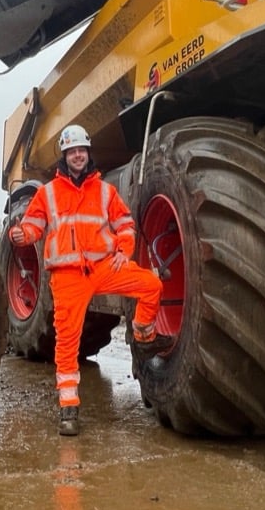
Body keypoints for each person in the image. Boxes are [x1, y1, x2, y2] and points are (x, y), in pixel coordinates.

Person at [9, 124, 174, 436]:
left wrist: (124, 251)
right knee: (67, 342)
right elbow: (33, 226)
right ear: (65, 156)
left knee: (151, 285)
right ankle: (68, 408)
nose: (78, 156)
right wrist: (21, 235)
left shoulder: (105, 191)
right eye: (72, 151)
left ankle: (143, 337)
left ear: (87, 153)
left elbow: (124, 224)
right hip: (67, 276)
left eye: (81, 150)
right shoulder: (48, 193)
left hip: (103, 267)